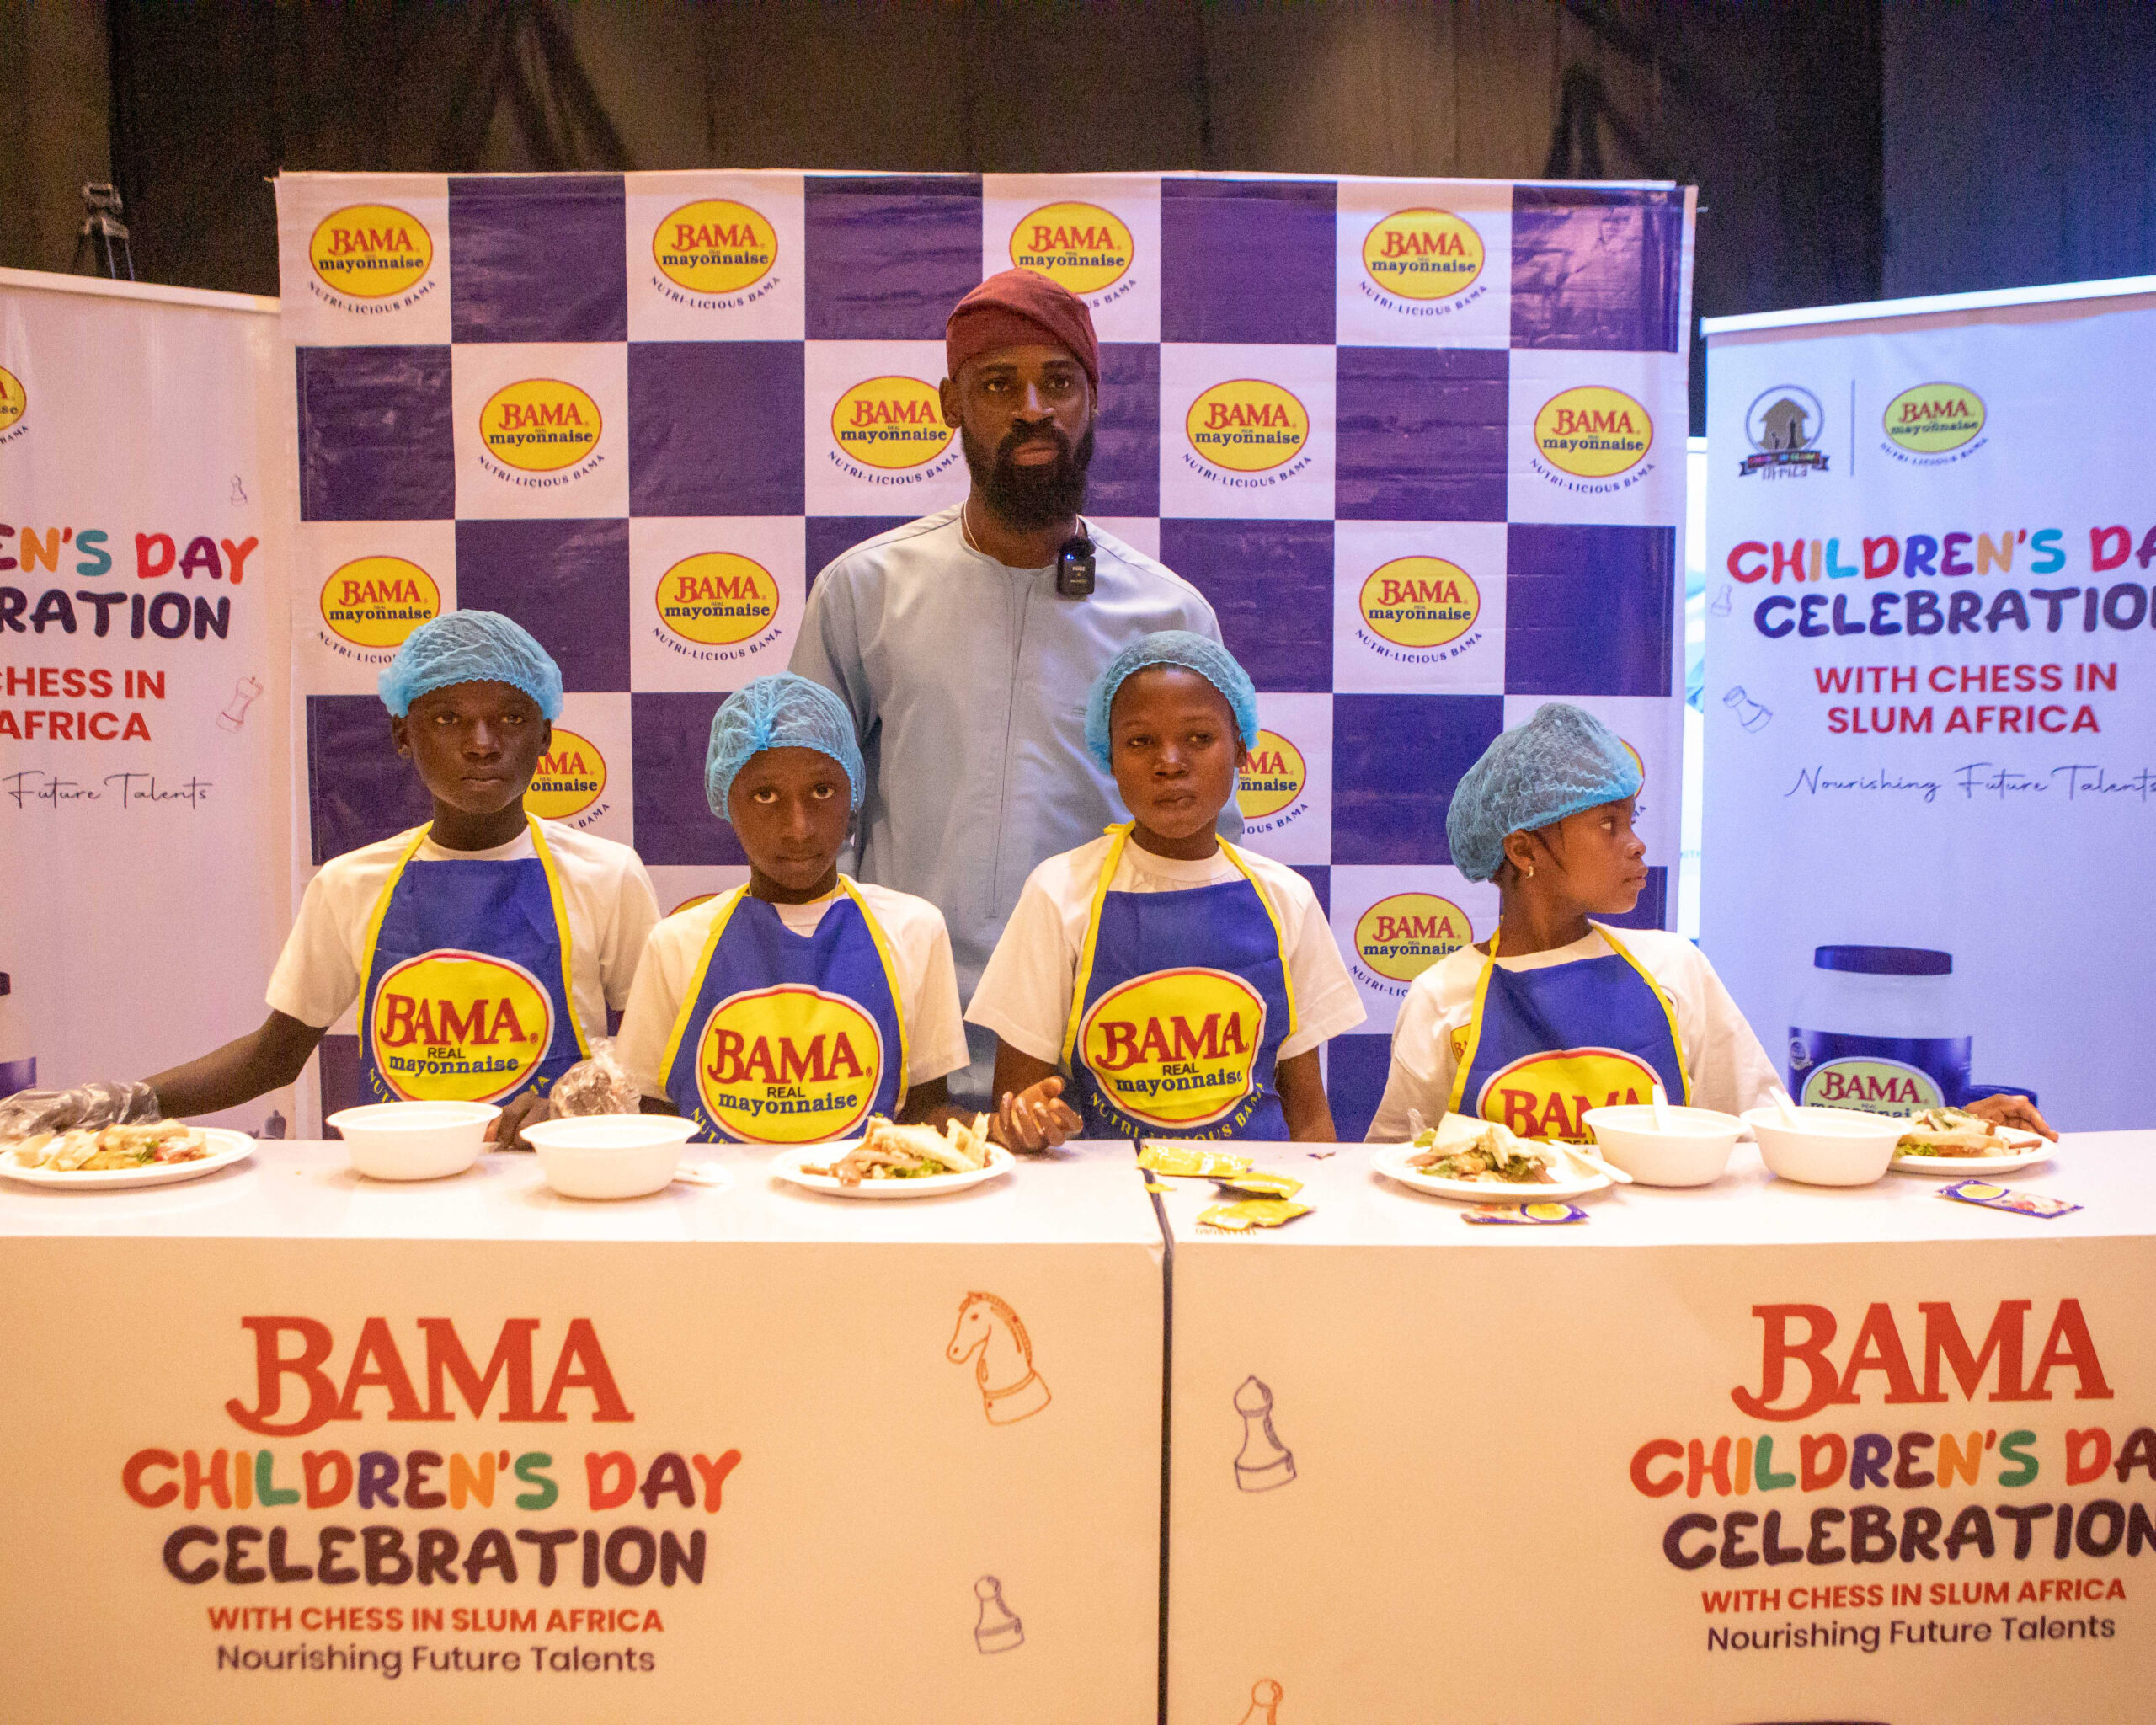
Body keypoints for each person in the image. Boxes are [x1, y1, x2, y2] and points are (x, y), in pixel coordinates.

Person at [792, 266, 1231, 1105]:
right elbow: (809, 814)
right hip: (903, 1037)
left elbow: (1206, 849)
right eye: (998, 384)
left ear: (1092, 401)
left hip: (1107, 1046)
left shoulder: (1168, 614)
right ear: (949, 404)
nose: (1033, 408)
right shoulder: (864, 590)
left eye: (1058, 382)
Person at [0, 611, 659, 1148]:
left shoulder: (606, 876)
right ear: (403, 734)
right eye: (446, 718)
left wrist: (581, 1106)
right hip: (397, 1185)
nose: (482, 742)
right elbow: (273, 1057)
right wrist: (120, 1103)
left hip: (555, 1186)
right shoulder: (351, 884)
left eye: (511, 718)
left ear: (546, 736)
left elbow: (651, 1062)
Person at [1364, 702, 2056, 1143]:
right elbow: (1396, 1164)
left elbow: (1768, 1130)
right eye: (1608, 824)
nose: (1637, 844)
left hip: (1664, 1283)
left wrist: (1941, 1130)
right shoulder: (1443, 996)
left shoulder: (1674, 967)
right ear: (1523, 850)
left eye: (1633, 819)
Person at [613, 674, 1067, 1145]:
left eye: (822, 791)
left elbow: (924, 1112)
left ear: (854, 794)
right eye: (765, 795)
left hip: (861, 1189)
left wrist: (995, 1129)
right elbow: (651, 1123)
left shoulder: (913, 929)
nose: (798, 828)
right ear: (725, 799)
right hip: (718, 1195)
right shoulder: (676, 945)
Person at [968, 633, 1364, 1147]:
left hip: (1256, 1188)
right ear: (1109, 756)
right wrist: (1031, 1122)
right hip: (1110, 1189)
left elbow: (1309, 1118)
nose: (1170, 762)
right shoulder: (1060, 891)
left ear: (1242, 749)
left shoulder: (1286, 897)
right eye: (1140, 742)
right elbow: (1018, 1107)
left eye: (1199, 738)